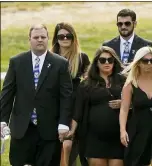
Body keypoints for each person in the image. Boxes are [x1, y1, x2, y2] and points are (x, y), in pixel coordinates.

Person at [0, 24, 73, 166]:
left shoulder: (60, 64)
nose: (40, 40)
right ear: (30, 40)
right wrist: (3, 120)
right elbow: (7, 94)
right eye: (36, 37)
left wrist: (64, 123)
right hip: (22, 129)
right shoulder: (17, 62)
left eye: (43, 37)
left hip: (49, 130)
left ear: (48, 39)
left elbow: (66, 96)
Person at [69, 46, 126, 166]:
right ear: (96, 62)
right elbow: (78, 111)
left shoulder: (124, 81)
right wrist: (71, 131)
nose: (107, 63)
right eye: (102, 60)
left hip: (118, 137)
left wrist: (125, 103)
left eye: (110, 60)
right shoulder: (86, 84)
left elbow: (137, 101)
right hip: (94, 137)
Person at [51, 22, 90, 166]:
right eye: (61, 36)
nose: (65, 39)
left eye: (69, 36)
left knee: (69, 145)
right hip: (54, 105)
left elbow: (89, 81)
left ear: (74, 38)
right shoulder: (50, 57)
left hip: (75, 105)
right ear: (56, 38)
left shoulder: (82, 57)